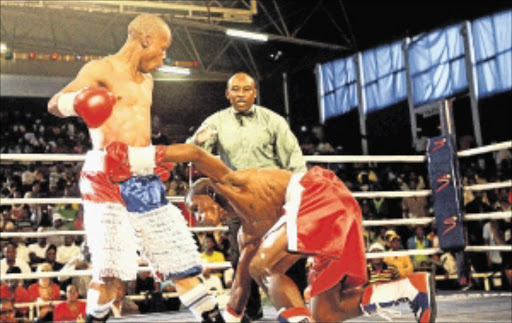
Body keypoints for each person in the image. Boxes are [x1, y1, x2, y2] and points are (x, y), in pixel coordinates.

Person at [47, 14, 224, 323]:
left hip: (145, 177)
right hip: (106, 180)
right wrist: (81, 101)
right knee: (110, 274)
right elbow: (53, 104)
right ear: (145, 40)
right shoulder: (99, 70)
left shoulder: (148, 81)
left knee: (181, 264)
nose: (164, 56)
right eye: (163, 47)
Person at [161, 143, 436, 323]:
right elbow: (241, 286)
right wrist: (230, 318)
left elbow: (196, 154)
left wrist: (144, 154)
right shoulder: (247, 233)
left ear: (208, 191)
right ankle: (410, 288)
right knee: (328, 312)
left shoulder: (233, 183)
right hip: (327, 214)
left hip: (314, 193)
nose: (196, 218)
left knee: (264, 265)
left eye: (195, 208)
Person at [187, 72, 307, 320]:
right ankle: (251, 312)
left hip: (275, 198)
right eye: (235, 89)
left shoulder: (272, 121)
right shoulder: (216, 122)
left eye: (246, 89)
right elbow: (193, 151)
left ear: (255, 92)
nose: (241, 94)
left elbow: (295, 162)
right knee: (239, 258)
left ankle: (298, 308)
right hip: (238, 200)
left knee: (289, 252)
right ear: (227, 93)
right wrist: (197, 140)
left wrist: (297, 198)